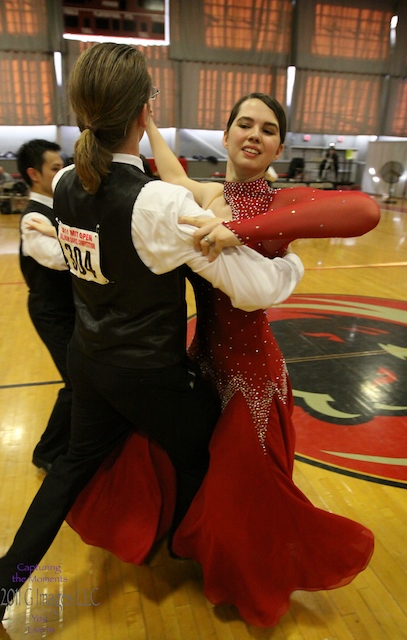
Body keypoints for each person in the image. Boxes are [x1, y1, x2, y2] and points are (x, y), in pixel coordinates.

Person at [0, 46, 304, 626]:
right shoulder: (158, 202)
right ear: (141, 112)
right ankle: (201, 556)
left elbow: (87, 257)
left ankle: (1, 587)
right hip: (148, 372)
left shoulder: (65, 183)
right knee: (212, 455)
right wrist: (292, 270)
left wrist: (38, 237)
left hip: (89, 360)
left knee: (72, 468)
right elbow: (250, 288)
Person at [64, 93, 379, 627]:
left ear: (280, 144)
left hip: (252, 376)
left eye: (268, 129)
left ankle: (249, 581)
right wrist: (150, 123)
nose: (254, 134)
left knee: (243, 491)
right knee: (188, 467)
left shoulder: (283, 202)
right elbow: (167, 172)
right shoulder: (208, 193)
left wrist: (239, 230)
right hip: (203, 361)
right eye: (244, 124)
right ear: (227, 133)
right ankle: (205, 554)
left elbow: (365, 211)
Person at [17, 139, 72, 472]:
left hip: (74, 309)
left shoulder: (59, 208)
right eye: (55, 168)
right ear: (34, 174)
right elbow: (60, 259)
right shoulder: (31, 220)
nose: (62, 172)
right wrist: (63, 236)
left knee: (89, 379)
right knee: (78, 383)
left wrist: (60, 231)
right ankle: (47, 453)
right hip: (51, 313)